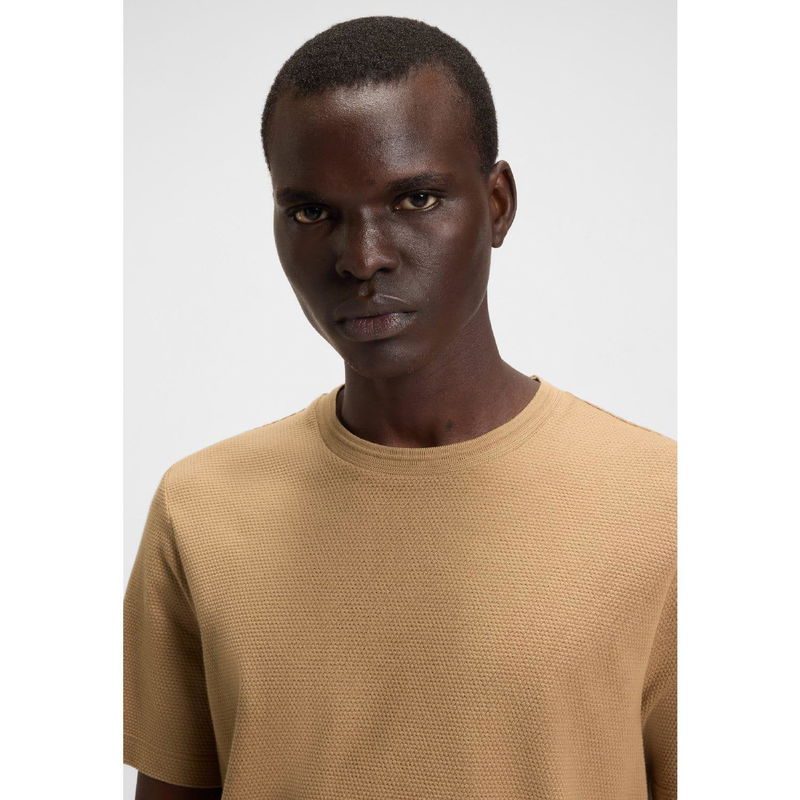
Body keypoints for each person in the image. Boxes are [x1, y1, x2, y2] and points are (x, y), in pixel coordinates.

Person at [124, 15, 676, 800]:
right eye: (312, 212)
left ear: (497, 204)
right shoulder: (202, 510)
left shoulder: (666, 505)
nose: (362, 258)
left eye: (414, 199)